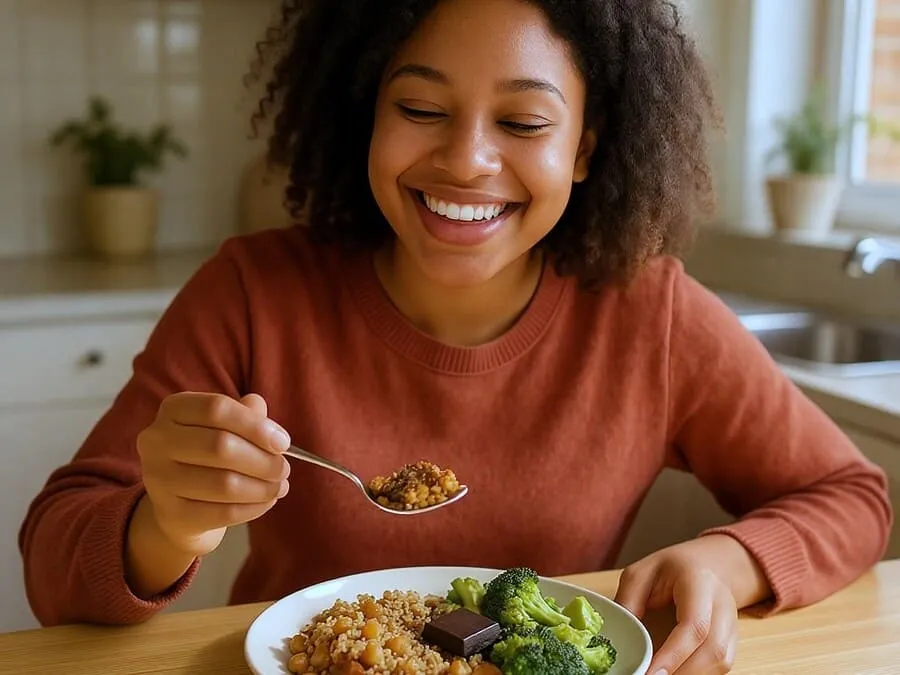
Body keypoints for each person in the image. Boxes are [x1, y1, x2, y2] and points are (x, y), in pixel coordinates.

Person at [19, 0, 891, 673]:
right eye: (420, 107)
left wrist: (729, 560)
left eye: (524, 122)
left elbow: (851, 494)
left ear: (584, 151)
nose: (467, 159)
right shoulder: (252, 291)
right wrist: (165, 523)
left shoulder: (650, 315)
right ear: (366, 113)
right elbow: (54, 563)